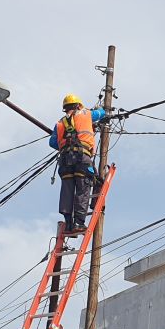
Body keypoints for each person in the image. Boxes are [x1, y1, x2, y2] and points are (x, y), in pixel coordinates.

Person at [49, 93, 107, 233]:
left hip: (64, 161)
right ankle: (78, 223)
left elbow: (52, 143)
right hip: (82, 159)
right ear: (79, 105)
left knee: (67, 191)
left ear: (65, 108)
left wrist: (65, 146)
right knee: (83, 188)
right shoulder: (86, 114)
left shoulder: (59, 123)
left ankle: (68, 224)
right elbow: (102, 113)